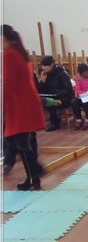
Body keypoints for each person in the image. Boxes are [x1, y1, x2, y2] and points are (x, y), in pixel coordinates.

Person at [2, 24, 46, 190]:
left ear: (3, 37)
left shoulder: (9, 54)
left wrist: (2, 103)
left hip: (18, 104)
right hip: (25, 102)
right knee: (19, 140)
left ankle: (33, 177)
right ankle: (34, 175)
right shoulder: (19, 52)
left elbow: (9, 83)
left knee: (18, 141)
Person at [37, 56, 74, 131]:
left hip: (65, 97)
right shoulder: (47, 74)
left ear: (52, 65)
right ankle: (44, 122)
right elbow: (43, 91)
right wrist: (43, 81)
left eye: (45, 66)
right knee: (44, 100)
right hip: (53, 96)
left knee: (51, 102)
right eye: (42, 66)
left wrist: (57, 96)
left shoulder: (62, 73)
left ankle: (54, 123)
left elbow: (68, 89)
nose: (43, 68)